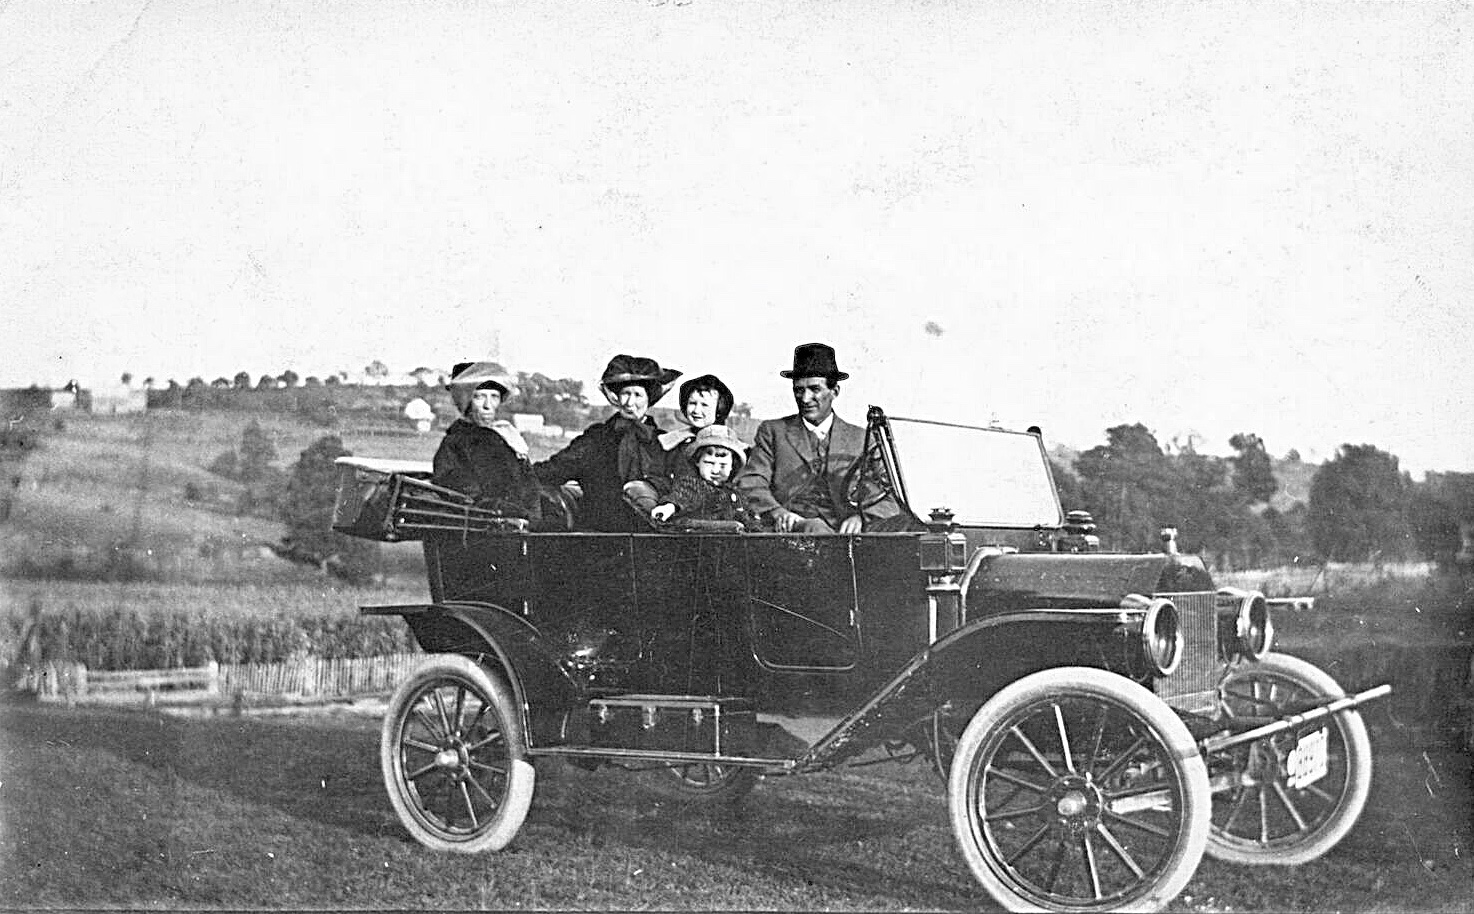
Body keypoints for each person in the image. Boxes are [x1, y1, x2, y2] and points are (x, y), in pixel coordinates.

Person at [735, 342, 903, 534]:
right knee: (815, 527)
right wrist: (779, 513)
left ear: (835, 391)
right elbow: (751, 483)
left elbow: (890, 496)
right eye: (799, 390)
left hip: (847, 536)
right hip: (792, 533)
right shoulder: (773, 432)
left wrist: (861, 518)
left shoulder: (862, 439)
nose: (805, 399)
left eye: (815, 389)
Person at [535, 354, 680, 532]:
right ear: (617, 397)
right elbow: (555, 469)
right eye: (625, 394)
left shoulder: (664, 442)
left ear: (648, 399)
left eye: (637, 395)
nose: (630, 402)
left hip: (653, 536)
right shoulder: (597, 438)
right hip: (601, 535)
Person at [431, 362, 541, 519]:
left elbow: (530, 486)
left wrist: (531, 519)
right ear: (466, 401)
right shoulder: (455, 443)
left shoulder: (508, 438)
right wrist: (511, 512)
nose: (488, 405)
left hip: (520, 525)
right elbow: (465, 495)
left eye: (494, 397)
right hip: (483, 526)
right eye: (479, 396)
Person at [622, 373, 735, 520]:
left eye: (704, 405)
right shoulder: (674, 442)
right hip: (673, 506)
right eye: (692, 403)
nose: (696, 410)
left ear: (719, 409)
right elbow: (659, 477)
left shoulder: (727, 446)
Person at [647, 424, 761, 531]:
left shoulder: (735, 493)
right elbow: (681, 497)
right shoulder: (693, 485)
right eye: (709, 463)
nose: (715, 470)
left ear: (732, 466)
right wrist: (669, 507)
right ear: (697, 462)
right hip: (698, 537)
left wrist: (753, 524)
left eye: (723, 465)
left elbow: (746, 515)